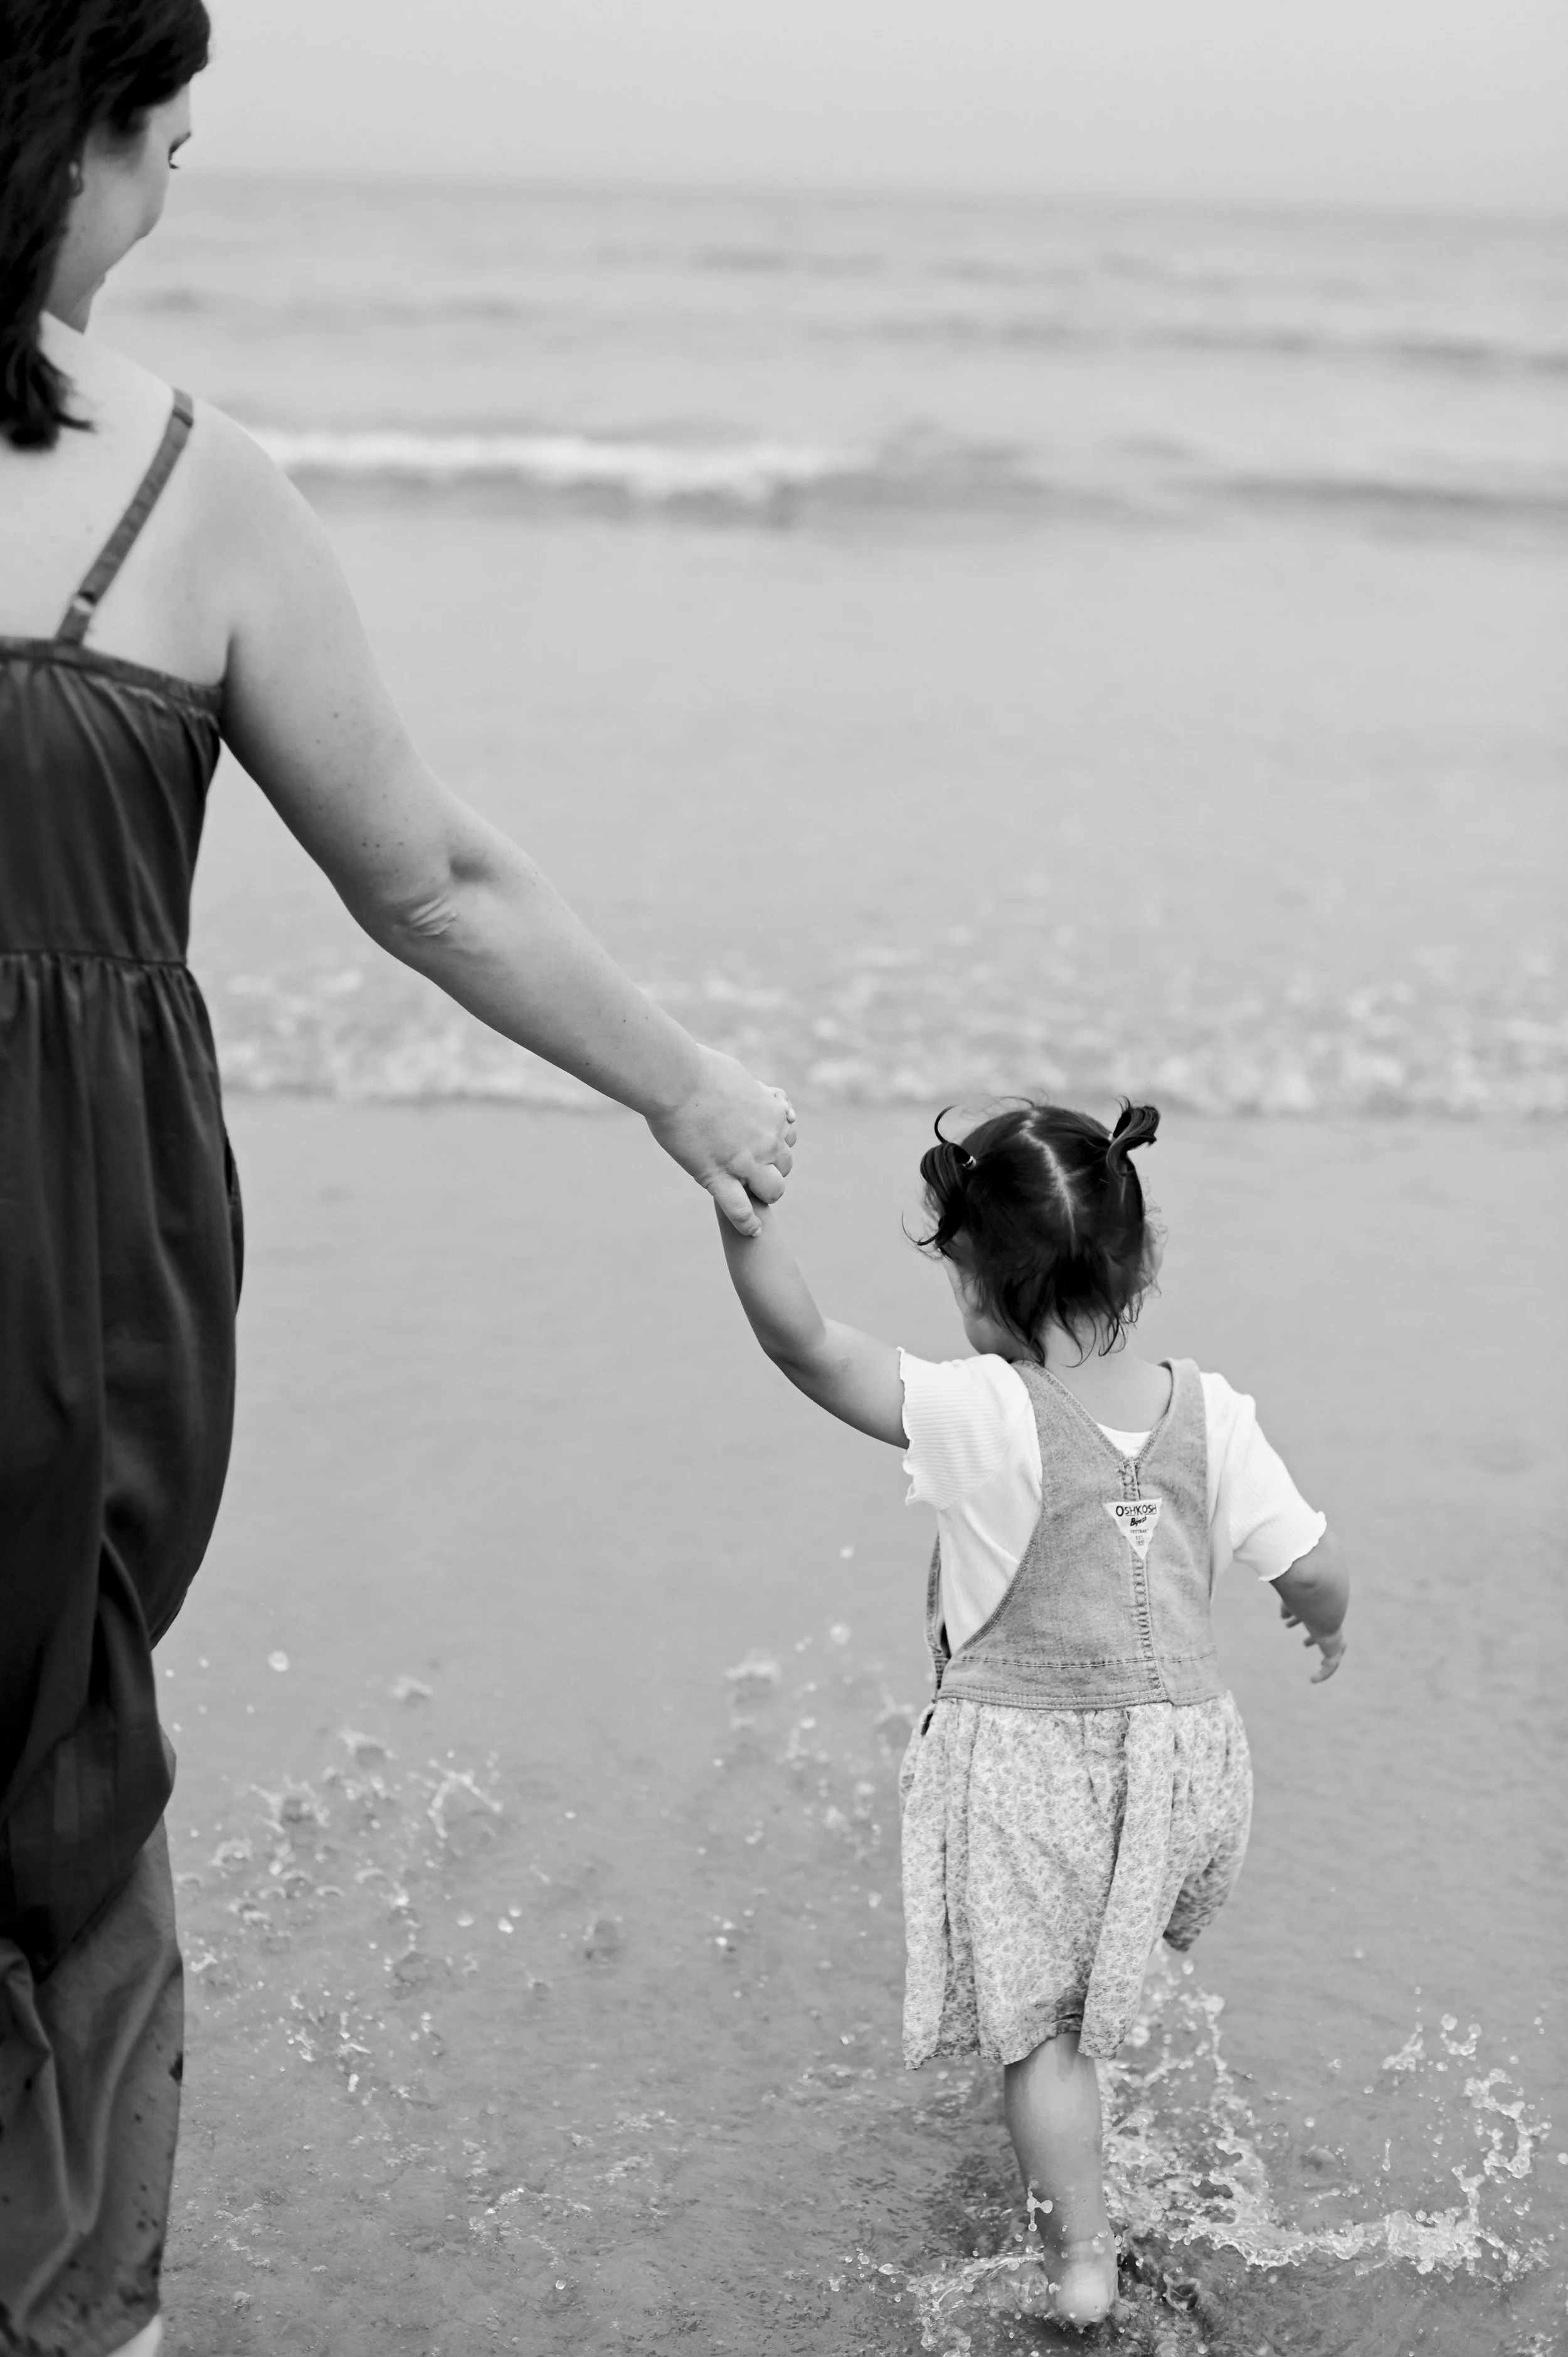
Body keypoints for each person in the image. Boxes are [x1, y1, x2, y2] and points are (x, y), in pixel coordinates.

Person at [0, 7, 795, 2353]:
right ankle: (78, 2305)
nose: (170, 194)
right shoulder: (188, 486)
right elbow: (430, 874)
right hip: (75, 1246)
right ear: (58, 151)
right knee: (62, 1761)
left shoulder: (191, 475)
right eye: (156, 144)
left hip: (74, 1241)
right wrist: (690, 1089)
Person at [716, 1099, 1349, 2328]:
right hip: (1186, 1770)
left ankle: (1081, 2257)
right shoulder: (1210, 1411)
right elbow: (1313, 1563)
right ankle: (1093, 2083)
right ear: (1140, 1262)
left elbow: (805, 1346)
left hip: (1028, 1763)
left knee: (1041, 2038)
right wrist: (1323, 1627)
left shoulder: (979, 1412)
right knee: (1094, 1975)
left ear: (969, 1283)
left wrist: (741, 1221)